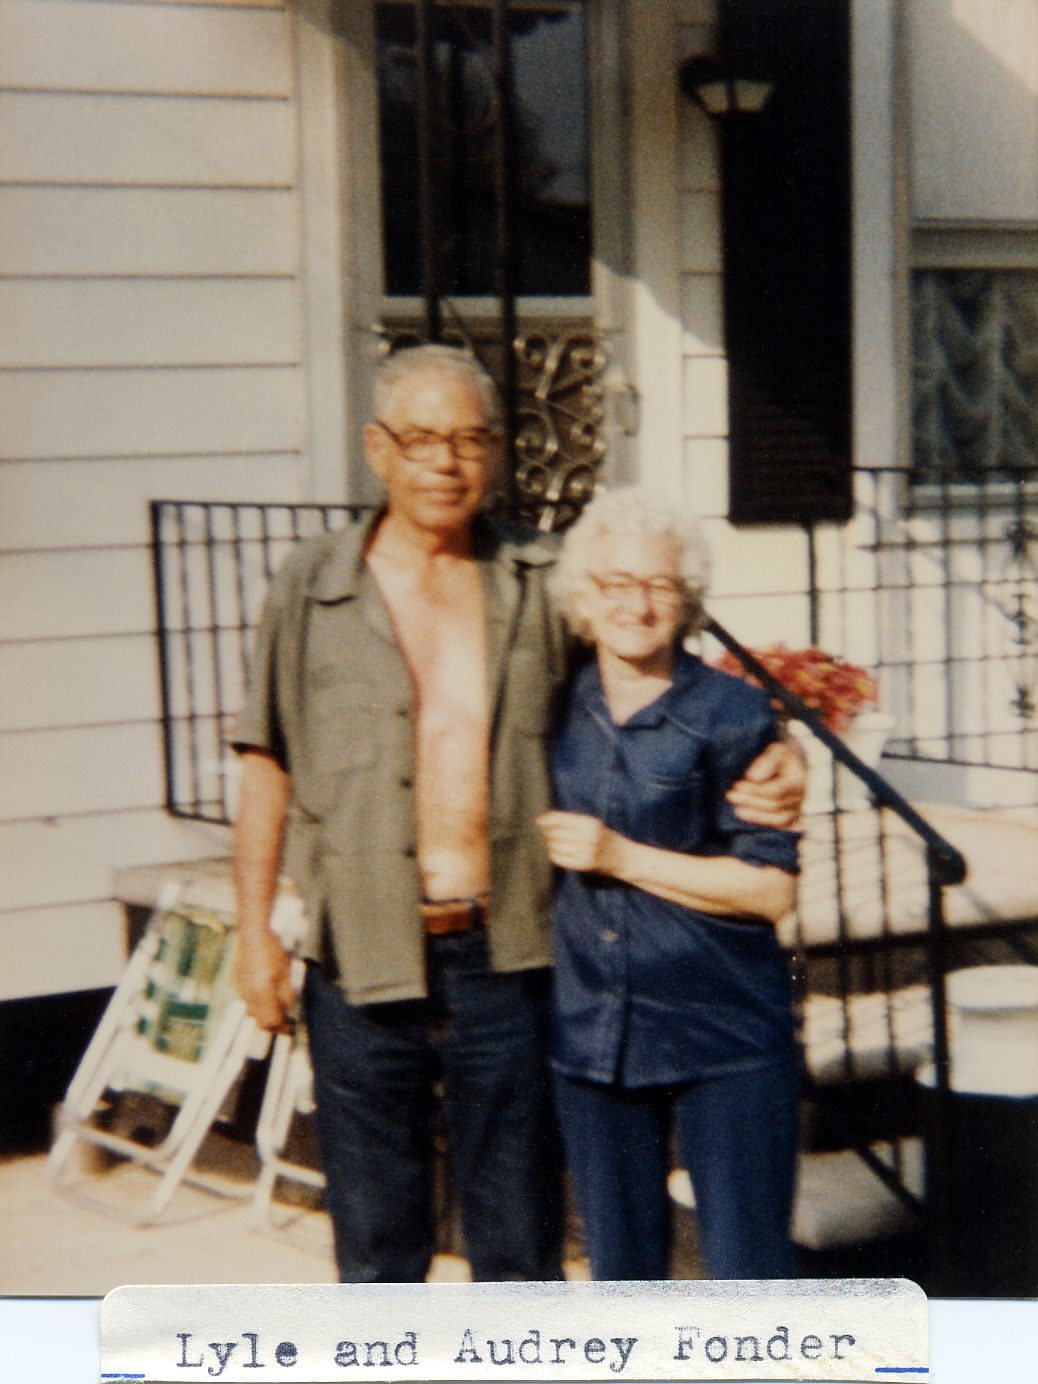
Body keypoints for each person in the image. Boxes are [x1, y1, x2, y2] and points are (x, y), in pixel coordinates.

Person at [232, 344, 805, 1283]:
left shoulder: (540, 581)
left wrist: (777, 751)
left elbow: (652, 667)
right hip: (361, 956)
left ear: (496, 453)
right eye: (421, 439)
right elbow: (265, 761)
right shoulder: (309, 589)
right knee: (376, 1249)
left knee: (518, 1245)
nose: (444, 462)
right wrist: (253, 934)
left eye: (468, 439)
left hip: (514, 960)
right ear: (378, 450)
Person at [538, 487, 802, 1280]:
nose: (638, 604)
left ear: (686, 599)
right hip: (594, 1034)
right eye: (616, 583)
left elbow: (770, 892)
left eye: (659, 585)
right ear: (585, 596)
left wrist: (618, 855)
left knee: (751, 1281)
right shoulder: (551, 702)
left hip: (722, 1028)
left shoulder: (733, 714)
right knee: (624, 1283)